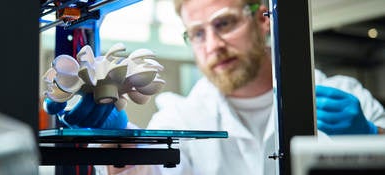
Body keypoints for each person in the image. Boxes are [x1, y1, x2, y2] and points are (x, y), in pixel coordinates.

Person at [44, 0, 385, 174]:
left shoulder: (342, 93)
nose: (213, 45)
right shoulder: (180, 114)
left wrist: (371, 138)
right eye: (197, 33)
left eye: (224, 23)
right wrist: (119, 143)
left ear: (264, 18)